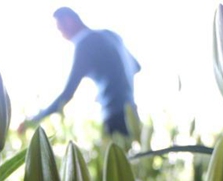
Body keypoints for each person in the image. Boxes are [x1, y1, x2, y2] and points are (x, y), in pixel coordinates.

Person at [20, 7, 141, 136]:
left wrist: (33, 120)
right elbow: (136, 67)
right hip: (131, 111)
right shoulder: (110, 34)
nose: (63, 35)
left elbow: (67, 93)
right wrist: (111, 86)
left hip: (113, 115)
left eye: (61, 29)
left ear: (69, 21)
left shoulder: (84, 44)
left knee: (115, 154)